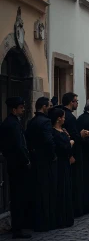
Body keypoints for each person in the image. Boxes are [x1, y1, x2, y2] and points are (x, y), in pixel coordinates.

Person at [0, 97, 32, 239]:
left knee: (18, 196)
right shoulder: (12, 124)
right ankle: (17, 229)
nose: (23, 109)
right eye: (20, 107)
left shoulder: (12, 122)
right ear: (14, 109)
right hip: (17, 165)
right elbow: (19, 146)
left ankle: (18, 226)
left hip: (15, 164)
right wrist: (26, 161)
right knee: (18, 197)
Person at [25, 97, 57, 232]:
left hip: (34, 159)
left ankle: (35, 221)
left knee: (36, 191)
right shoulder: (46, 122)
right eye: (49, 106)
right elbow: (49, 141)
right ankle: (44, 222)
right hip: (44, 160)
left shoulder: (31, 122)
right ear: (43, 107)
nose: (50, 108)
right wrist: (53, 155)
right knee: (45, 192)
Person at [60, 92, 89, 217]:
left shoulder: (67, 116)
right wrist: (82, 135)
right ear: (70, 102)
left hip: (71, 152)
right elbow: (74, 137)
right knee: (75, 181)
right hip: (73, 153)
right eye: (76, 101)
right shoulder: (70, 117)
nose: (77, 103)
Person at [49, 107, 74, 228]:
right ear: (58, 119)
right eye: (63, 117)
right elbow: (63, 147)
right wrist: (71, 143)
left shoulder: (63, 131)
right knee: (60, 190)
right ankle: (60, 218)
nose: (64, 119)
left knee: (66, 189)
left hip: (65, 164)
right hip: (60, 164)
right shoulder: (54, 132)